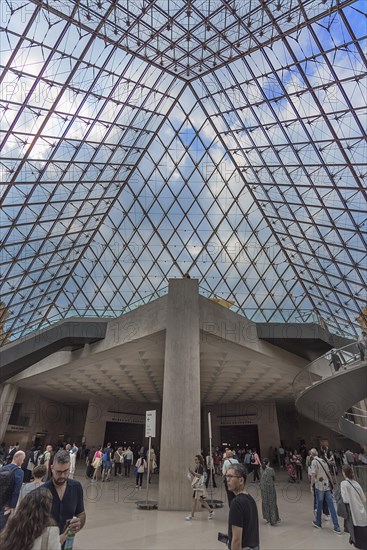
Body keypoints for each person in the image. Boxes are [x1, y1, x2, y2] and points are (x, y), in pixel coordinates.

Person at [43, 450, 86, 545]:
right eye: (58, 472)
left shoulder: (76, 487)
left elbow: (81, 513)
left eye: (65, 471)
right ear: (52, 468)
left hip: (67, 544)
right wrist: (54, 541)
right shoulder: (40, 492)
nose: (62, 476)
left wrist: (79, 523)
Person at [226, 463, 259, 550]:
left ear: (241, 480)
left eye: (230, 476)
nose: (227, 480)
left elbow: (237, 540)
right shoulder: (250, 499)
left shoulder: (236, 503)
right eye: (226, 476)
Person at [310, 448, 342, 534]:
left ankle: (318, 522)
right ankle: (337, 526)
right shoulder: (323, 461)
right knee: (331, 506)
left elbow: (313, 474)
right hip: (327, 485)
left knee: (319, 504)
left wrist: (311, 485)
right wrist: (332, 483)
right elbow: (329, 473)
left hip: (319, 486)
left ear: (311, 455)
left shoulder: (314, 462)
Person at [341, 465, 367, 550]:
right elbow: (364, 499)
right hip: (362, 513)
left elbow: (345, 500)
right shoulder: (356, 483)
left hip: (353, 514)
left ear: (344, 473)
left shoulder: (344, 484)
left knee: (358, 542)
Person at [0, 450, 25, 531]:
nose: (23, 461)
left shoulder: (3, 468)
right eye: (23, 459)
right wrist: (12, 507)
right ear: (19, 459)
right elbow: (16, 491)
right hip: (6, 504)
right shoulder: (19, 472)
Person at [185, 455, 214, 521]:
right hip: (198, 486)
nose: (195, 461)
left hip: (199, 486)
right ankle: (211, 511)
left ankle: (191, 515)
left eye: (196, 459)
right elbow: (196, 475)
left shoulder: (200, 467)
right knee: (201, 500)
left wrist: (192, 472)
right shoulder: (197, 466)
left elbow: (199, 475)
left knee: (195, 500)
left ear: (199, 460)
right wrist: (192, 472)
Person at [260, 458, 280, 526]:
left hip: (263, 488)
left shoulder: (261, 468)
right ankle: (274, 519)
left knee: (265, 502)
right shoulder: (271, 469)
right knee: (272, 502)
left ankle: (268, 519)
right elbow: (274, 478)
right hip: (270, 488)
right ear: (268, 463)